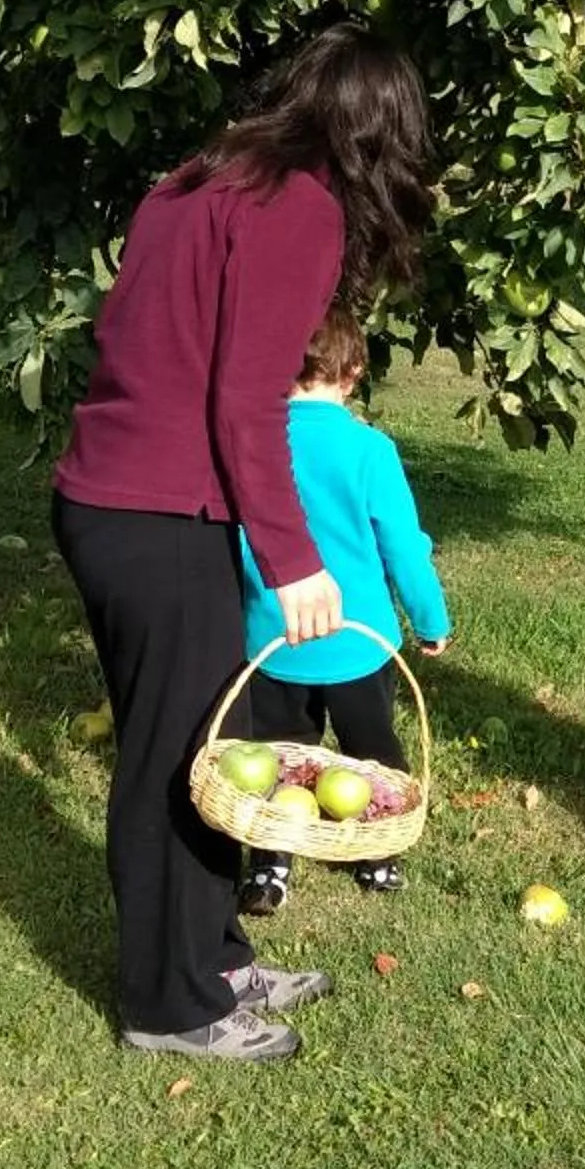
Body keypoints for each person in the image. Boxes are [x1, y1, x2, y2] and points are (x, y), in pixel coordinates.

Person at [49, 21, 432, 1063]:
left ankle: (213, 956)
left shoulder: (200, 177)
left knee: (207, 749)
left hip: (124, 500)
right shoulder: (298, 207)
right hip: (155, 510)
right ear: (379, 134)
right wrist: (295, 558)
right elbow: (246, 401)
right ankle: (169, 1005)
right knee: (172, 760)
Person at [234, 304, 453, 914]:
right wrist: (431, 620)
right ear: (354, 370)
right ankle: (375, 853)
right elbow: (402, 547)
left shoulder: (253, 443)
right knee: (372, 750)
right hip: (360, 643)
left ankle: (271, 866)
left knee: (277, 756)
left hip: (274, 638)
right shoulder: (369, 450)